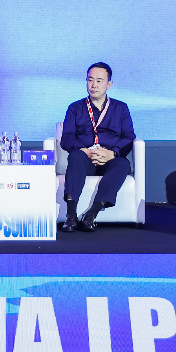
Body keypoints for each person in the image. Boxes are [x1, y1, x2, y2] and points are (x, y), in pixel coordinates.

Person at [58, 62, 136, 231]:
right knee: (75, 156)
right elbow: (67, 137)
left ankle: (91, 214)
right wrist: (84, 150)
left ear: (109, 84)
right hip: (85, 158)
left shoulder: (121, 108)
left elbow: (129, 136)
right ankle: (71, 215)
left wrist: (112, 153)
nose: (93, 85)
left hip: (109, 158)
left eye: (99, 81)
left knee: (123, 164)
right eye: (90, 80)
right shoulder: (75, 108)